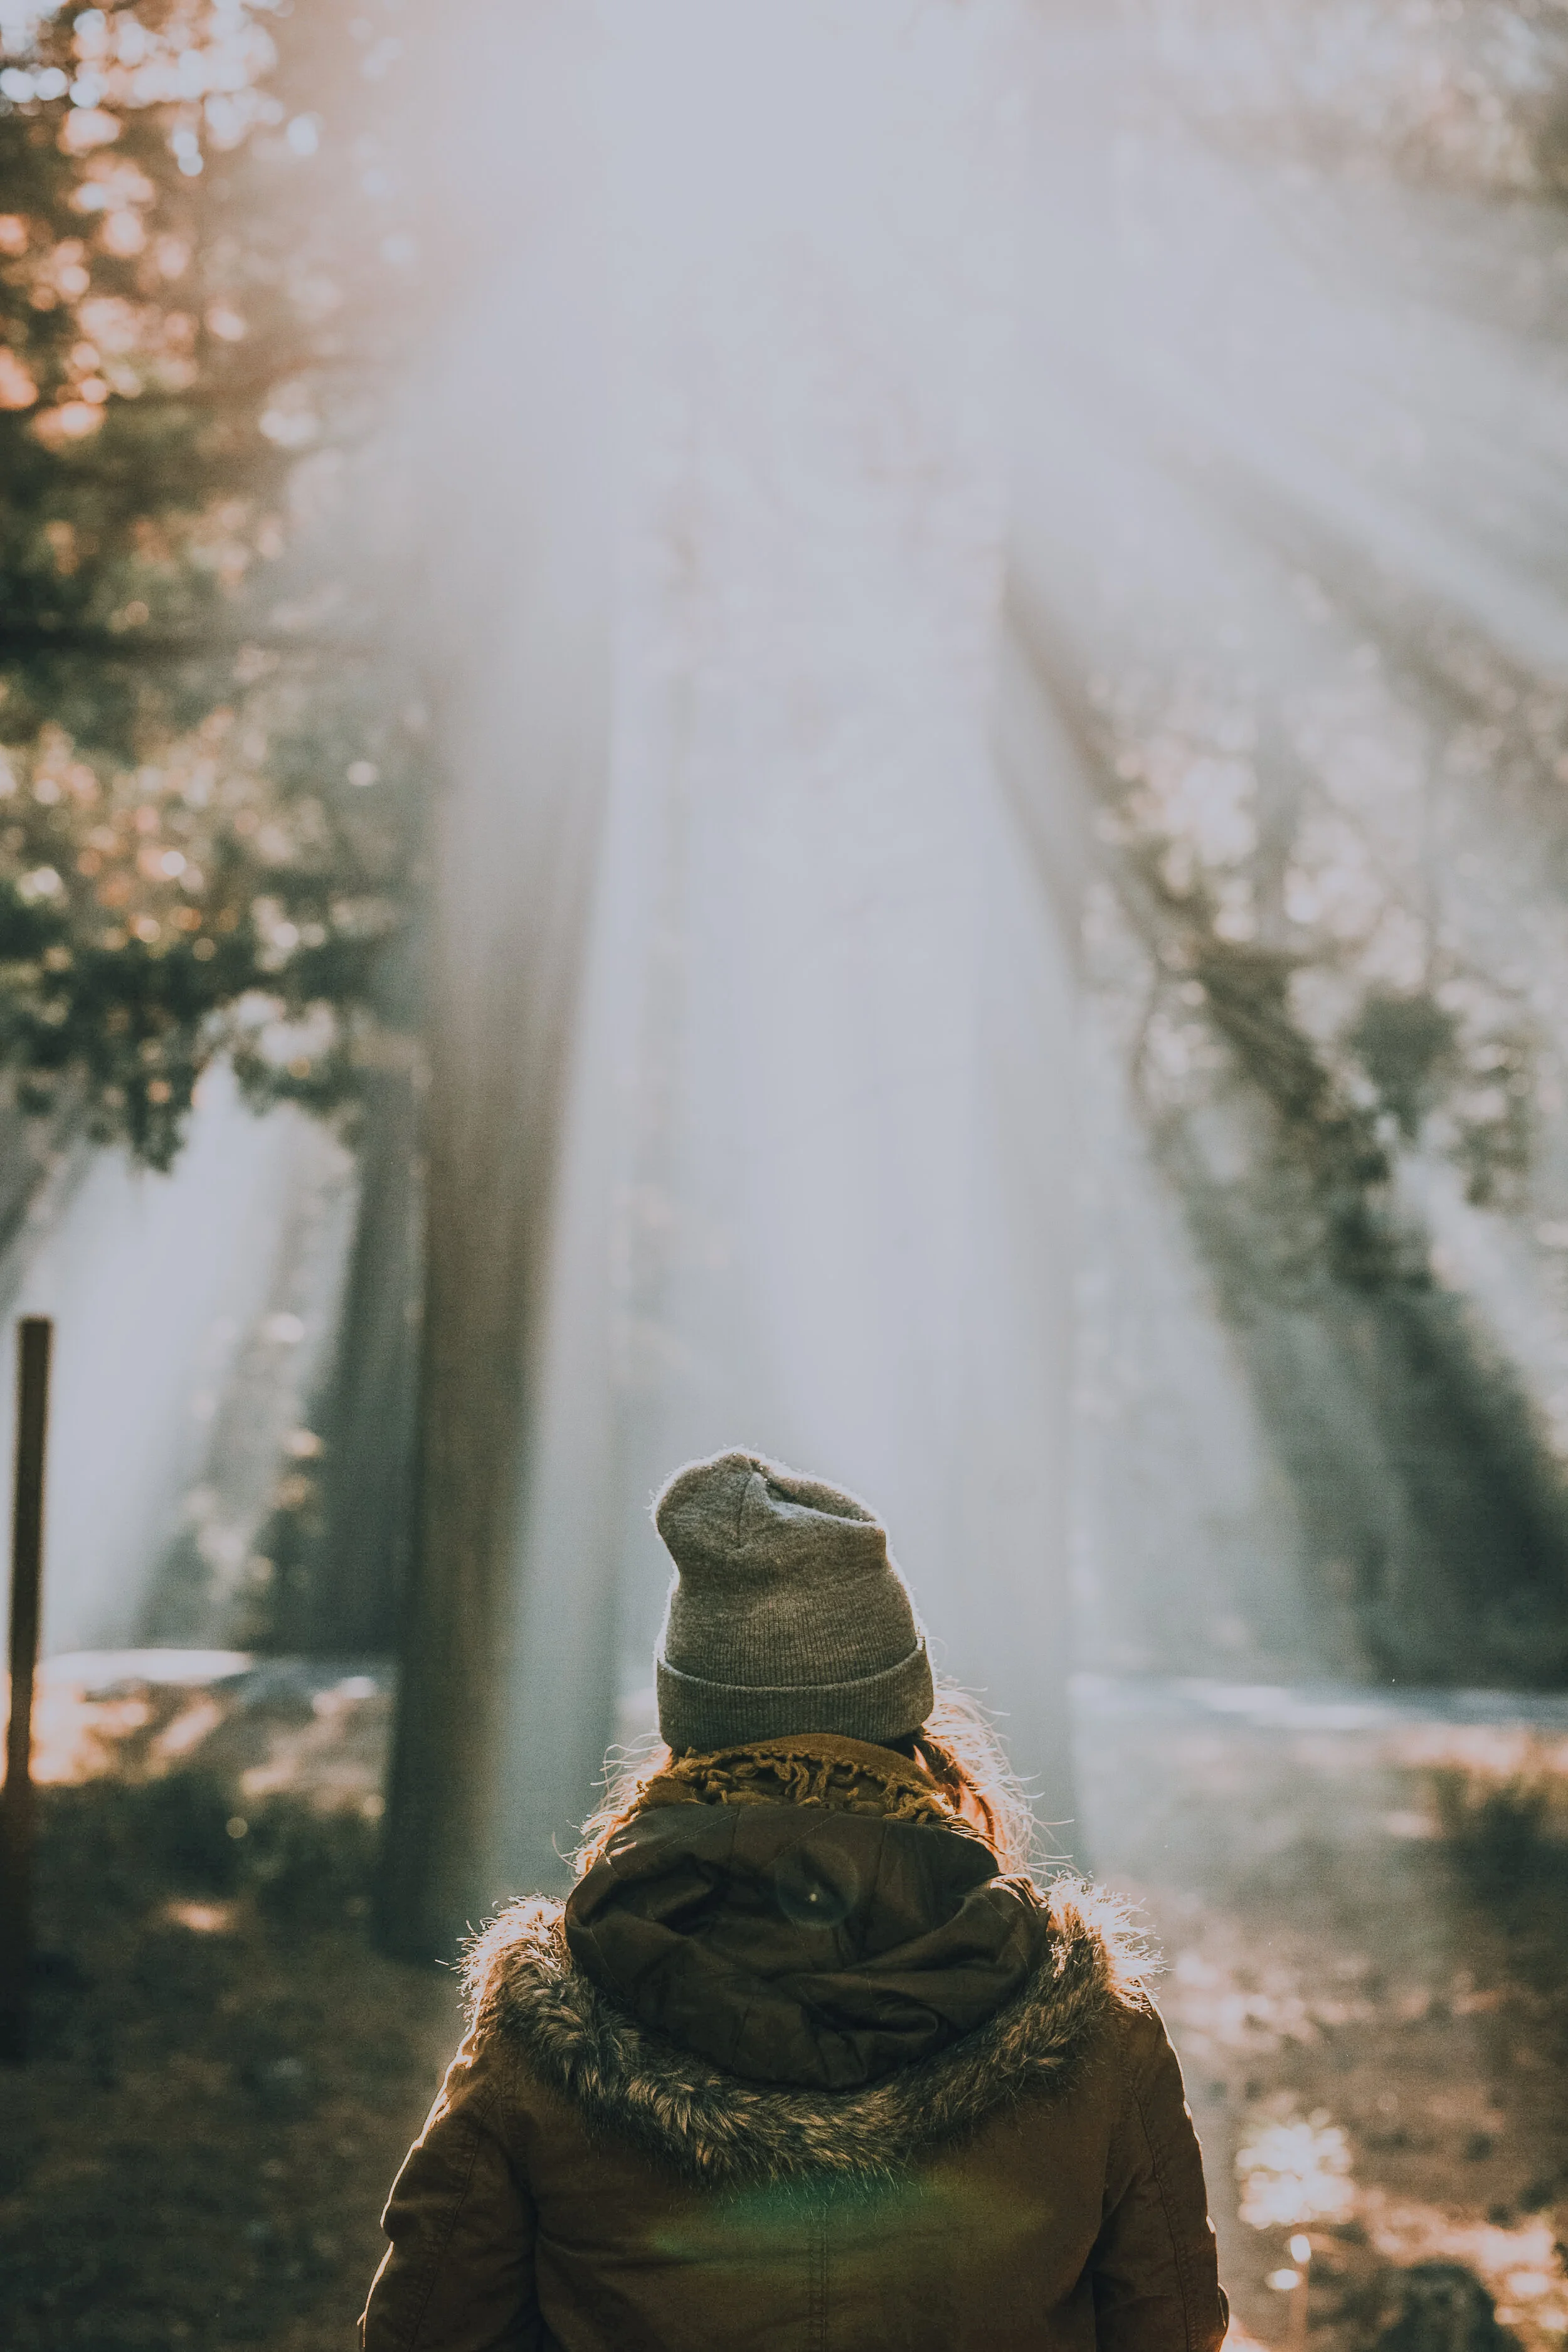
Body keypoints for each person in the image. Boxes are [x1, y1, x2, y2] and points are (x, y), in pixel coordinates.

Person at [361, 1449, 1229, 2351]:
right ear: (909, 1712)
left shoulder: (549, 2032)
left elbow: (424, 2332)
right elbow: (1173, 2331)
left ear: (688, 1724)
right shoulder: (1089, 2029)